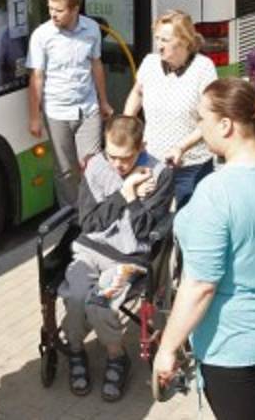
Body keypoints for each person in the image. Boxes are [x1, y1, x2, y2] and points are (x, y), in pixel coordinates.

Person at [153, 79, 255, 420]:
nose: (199, 126)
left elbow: (200, 285)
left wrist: (167, 348)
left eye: (201, 118)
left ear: (225, 125)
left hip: (233, 346)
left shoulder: (214, 194)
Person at [61, 115, 172, 402]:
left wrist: (134, 200)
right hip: (90, 249)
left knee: (100, 304)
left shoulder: (160, 174)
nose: (117, 165)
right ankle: (75, 350)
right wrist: (124, 192)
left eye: (125, 158)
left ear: (141, 147)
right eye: (111, 156)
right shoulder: (97, 166)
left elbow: (145, 230)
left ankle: (116, 356)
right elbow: (89, 222)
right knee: (75, 297)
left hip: (129, 257)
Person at [27, 0, 115, 210]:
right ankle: (73, 215)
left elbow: (96, 65)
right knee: (66, 170)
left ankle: (96, 213)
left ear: (75, 9)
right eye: (50, 9)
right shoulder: (42, 35)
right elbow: (37, 77)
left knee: (92, 164)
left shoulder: (91, 29)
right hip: (57, 112)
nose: (53, 14)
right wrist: (35, 117)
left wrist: (104, 101)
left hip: (88, 109)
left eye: (59, 10)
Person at [123, 10, 218, 208]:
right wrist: (126, 126)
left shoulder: (203, 68)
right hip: (152, 161)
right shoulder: (149, 62)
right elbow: (138, 93)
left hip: (192, 164)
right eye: (157, 38)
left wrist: (181, 147)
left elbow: (210, 119)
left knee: (189, 217)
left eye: (165, 40)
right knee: (151, 217)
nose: (159, 45)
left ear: (184, 41)